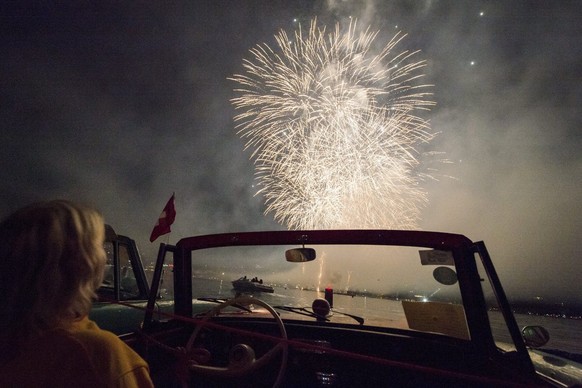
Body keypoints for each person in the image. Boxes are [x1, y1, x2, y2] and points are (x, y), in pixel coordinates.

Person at [0, 200, 154, 387]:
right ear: (82, 265)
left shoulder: (16, 340)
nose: (104, 255)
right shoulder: (99, 356)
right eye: (98, 246)